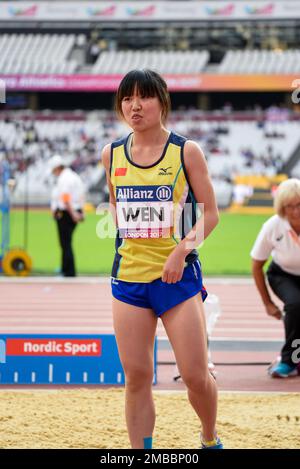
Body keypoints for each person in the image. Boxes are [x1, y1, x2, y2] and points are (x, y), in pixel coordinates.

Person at [101, 69, 223, 449]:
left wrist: (179, 250)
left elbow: (211, 214)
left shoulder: (186, 151)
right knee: (136, 377)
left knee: (194, 376)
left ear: (162, 102)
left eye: (144, 97)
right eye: (127, 98)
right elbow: (115, 209)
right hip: (129, 280)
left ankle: (208, 437)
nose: (134, 106)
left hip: (177, 279)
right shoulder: (112, 154)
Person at [251, 178, 300, 378]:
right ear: (281, 207)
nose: (296, 212)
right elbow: (256, 265)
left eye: (299, 205)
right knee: (296, 305)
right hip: (283, 274)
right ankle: (289, 360)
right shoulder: (273, 226)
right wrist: (268, 303)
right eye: (290, 207)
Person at [48, 154, 85, 277]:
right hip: (73, 210)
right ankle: (65, 268)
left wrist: (73, 213)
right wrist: (81, 212)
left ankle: (69, 271)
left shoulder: (65, 178)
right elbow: (80, 195)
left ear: (57, 168)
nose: (54, 173)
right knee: (66, 242)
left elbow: (65, 198)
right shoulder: (74, 176)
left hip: (67, 213)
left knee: (65, 243)